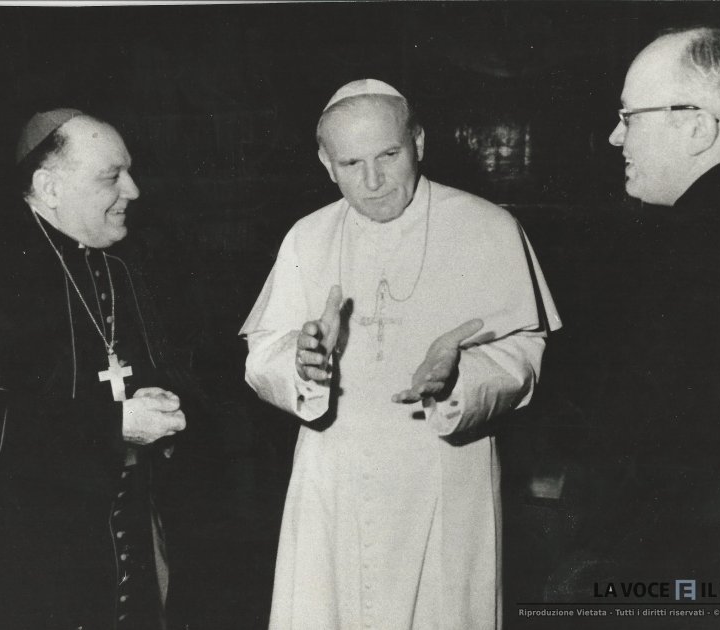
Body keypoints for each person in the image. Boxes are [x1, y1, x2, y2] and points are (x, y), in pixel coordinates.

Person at [240, 79, 561, 629]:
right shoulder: (306, 238)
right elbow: (261, 352)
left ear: (419, 142)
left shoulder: (487, 227)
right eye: (351, 163)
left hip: (444, 468)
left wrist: (459, 376)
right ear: (326, 165)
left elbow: (523, 351)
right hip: (333, 470)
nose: (373, 181)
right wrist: (300, 361)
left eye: (389, 155)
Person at [0, 109, 188, 630]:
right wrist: (113, 424)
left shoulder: (120, 264)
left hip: (128, 547)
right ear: (49, 187)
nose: (133, 190)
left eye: (129, 171)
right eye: (111, 176)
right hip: (22, 562)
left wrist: (166, 404)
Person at [600, 27, 720, 577]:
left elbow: (663, 459)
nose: (615, 137)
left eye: (629, 116)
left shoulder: (692, 250)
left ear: (696, 127)